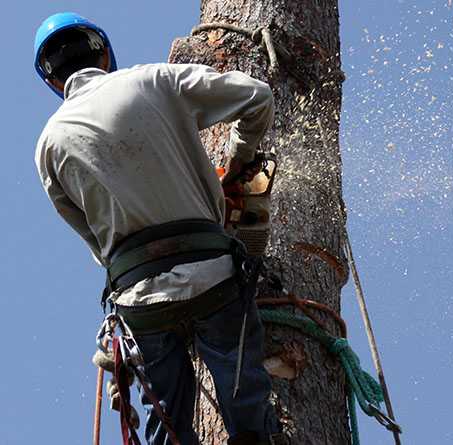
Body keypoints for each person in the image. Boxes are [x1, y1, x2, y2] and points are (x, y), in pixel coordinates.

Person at [34, 12, 279, 445]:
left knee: (165, 429)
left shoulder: (49, 144)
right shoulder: (153, 80)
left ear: (53, 82)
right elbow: (256, 95)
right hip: (213, 277)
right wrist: (238, 165)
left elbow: (94, 241)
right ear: (105, 52)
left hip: (138, 300)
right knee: (246, 410)